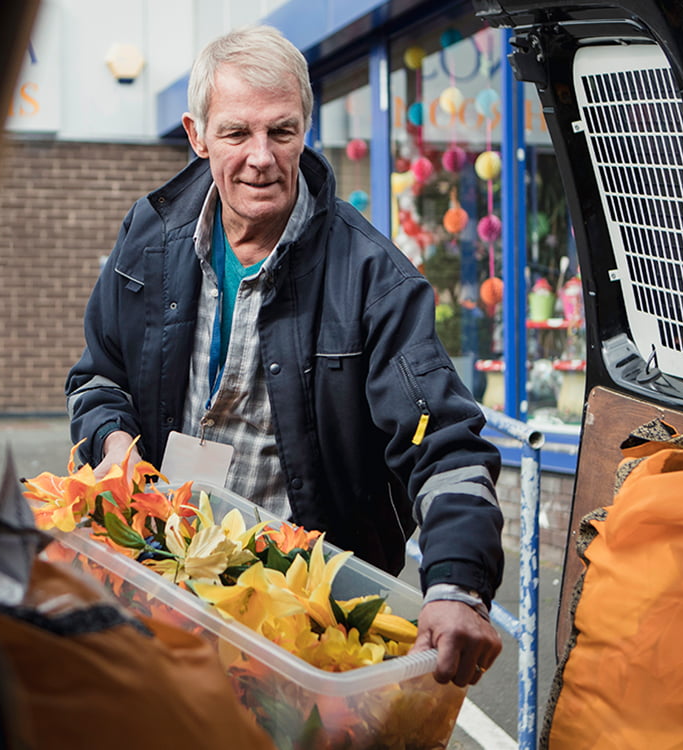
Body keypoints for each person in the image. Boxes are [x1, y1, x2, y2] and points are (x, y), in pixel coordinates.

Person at [65, 25, 504, 687]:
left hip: (306, 626)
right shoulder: (148, 237)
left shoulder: (373, 279)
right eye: (237, 133)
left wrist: (456, 585)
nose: (261, 158)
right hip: (161, 582)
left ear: (307, 129)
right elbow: (97, 377)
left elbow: (442, 442)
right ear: (197, 134)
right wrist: (113, 441)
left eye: (283, 131)